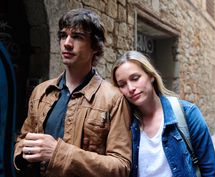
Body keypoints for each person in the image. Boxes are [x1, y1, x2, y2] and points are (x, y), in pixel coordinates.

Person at [13, 8, 132, 177]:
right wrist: (23, 153)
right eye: (63, 36)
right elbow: (23, 139)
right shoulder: (41, 92)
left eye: (77, 37)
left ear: (95, 48)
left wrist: (57, 153)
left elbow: (121, 167)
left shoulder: (113, 98)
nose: (67, 43)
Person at [111, 51, 215, 177]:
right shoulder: (124, 123)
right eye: (122, 84)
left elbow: (211, 172)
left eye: (135, 78)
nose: (130, 88)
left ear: (151, 76)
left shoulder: (188, 114)